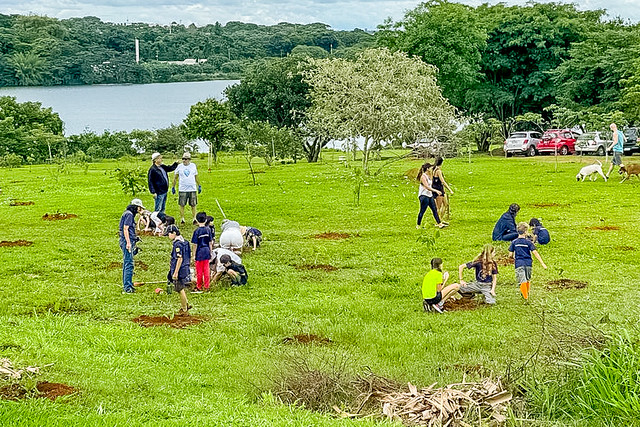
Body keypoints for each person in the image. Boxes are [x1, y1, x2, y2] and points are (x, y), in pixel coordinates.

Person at [509, 222, 547, 300]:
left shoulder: (514, 242)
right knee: (527, 279)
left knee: (522, 280)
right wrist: (542, 263)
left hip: (519, 263)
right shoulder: (528, 242)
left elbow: (510, 255)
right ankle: (526, 294)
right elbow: (535, 252)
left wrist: (512, 258)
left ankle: (525, 297)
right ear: (526, 232)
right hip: (528, 263)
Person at [119, 198, 145, 294]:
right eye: (139, 208)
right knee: (129, 264)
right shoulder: (129, 215)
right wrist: (129, 243)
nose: (140, 210)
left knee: (128, 263)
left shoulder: (127, 214)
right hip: (126, 242)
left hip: (126, 240)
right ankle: (127, 287)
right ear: (136, 207)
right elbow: (125, 229)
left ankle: (128, 285)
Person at [166, 225, 193, 314]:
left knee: (179, 288)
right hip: (185, 267)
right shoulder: (185, 241)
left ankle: (184, 309)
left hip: (180, 269)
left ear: (174, 233)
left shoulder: (177, 244)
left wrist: (176, 272)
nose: (168, 236)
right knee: (180, 287)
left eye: (169, 234)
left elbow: (179, 258)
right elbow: (189, 255)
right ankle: (186, 304)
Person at [172, 152, 201, 225]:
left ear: (189, 159)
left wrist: (199, 185)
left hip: (192, 188)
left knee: (193, 205)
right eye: (183, 159)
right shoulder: (179, 167)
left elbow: (196, 176)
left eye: (186, 159)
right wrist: (173, 186)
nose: (184, 160)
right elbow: (175, 177)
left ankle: (194, 219)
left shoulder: (193, 166)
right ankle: (182, 219)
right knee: (182, 204)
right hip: (182, 189)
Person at [416, 163, 448, 229]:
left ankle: (439, 224)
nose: (431, 169)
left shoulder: (429, 175)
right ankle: (418, 225)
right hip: (424, 196)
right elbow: (427, 187)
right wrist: (435, 191)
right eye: (430, 168)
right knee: (422, 211)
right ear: (427, 169)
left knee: (434, 210)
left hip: (429, 195)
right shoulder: (423, 176)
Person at [191, 212, 214, 293]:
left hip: (199, 252)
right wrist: (210, 252)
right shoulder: (208, 230)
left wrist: (193, 255)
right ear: (205, 220)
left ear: (197, 221)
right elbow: (210, 242)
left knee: (199, 270)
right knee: (206, 269)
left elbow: (195, 244)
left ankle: (199, 286)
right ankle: (207, 286)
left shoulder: (196, 231)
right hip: (207, 251)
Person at [432, 157, 454, 221]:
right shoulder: (438, 171)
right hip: (439, 190)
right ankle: (438, 221)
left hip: (440, 189)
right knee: (438, 207)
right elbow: (443, 181)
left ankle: (440, 219)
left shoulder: (434, 169)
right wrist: (450, 190)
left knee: (445, 204)